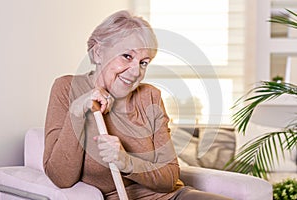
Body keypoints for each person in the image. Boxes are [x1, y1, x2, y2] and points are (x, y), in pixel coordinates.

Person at [43, 10, 232, 200]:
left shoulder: (150, 96)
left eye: (144, 62)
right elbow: (60, 177)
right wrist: (77, 112)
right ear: (98, 52)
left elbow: (169, 177)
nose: (136, 72)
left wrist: (125, 161)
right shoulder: (67, 89)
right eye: (126, 56)